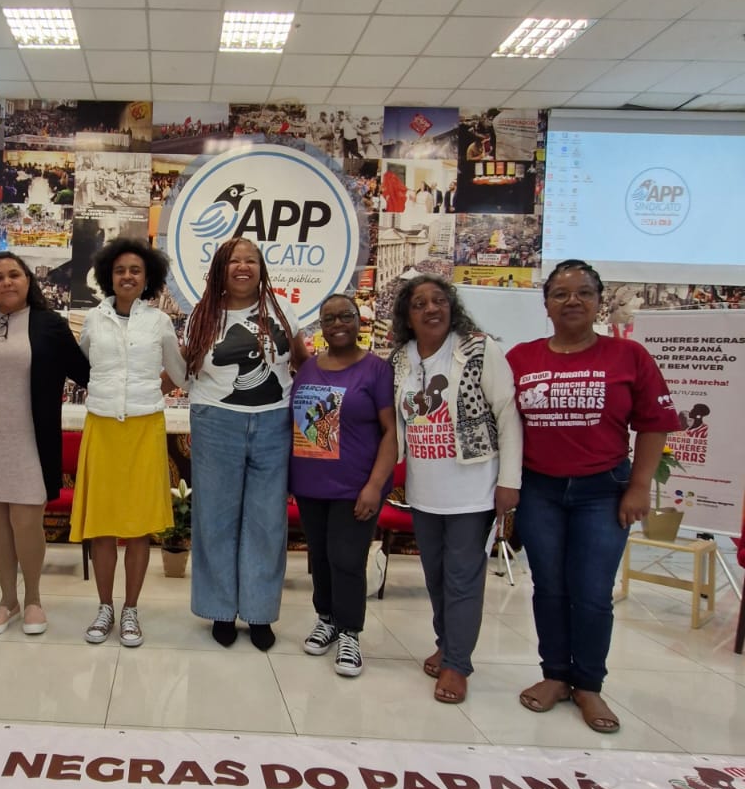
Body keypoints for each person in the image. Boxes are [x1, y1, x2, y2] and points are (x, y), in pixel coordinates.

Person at [507, 260, 676, 734]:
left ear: (600, 302)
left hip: (603, 490)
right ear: (546, 305)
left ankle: (589, 685)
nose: (572, 301)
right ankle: (555, 675)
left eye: (583, 292)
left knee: (592, 592)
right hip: (539, 489)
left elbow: (654, 424)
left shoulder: (628, 357)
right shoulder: (521, 358)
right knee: (550, 587)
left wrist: (639, 486)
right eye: (561, 294)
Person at [389, 275, 521, 705]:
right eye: (420, 303)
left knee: (463, 578)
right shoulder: (401, 359)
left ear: (452, 307)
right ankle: (447, 642)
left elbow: (507, 416)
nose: (431, 309)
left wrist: (509, 482)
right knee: (436, 577)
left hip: (474, 488)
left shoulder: (479, 350)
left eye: (439, 301)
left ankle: (457, 665)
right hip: (425, 491)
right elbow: (400, 424)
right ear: (407, 316)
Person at [184, 237, 306, 650]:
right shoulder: (203, 315)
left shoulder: (281, 311)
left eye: (251, 260)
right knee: (215, 519)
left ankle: (258, 613)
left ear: (261, 268)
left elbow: (302, 362)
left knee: (266, 520)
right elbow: (187, 367)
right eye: (234, 260)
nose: (243, 266)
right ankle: (220, 609)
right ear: (221, 268)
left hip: (273, 422)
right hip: (216, 422)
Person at [71, 238, 186, 647]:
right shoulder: (93, 321)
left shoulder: (159, 323)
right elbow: (82, 369)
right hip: (102, 427)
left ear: (147, 277)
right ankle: (105, 608)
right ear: (108, 276)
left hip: (143, 428)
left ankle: (131, 609)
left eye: (135, 270)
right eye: (120, 270)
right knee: (102, 528)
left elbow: (180, 373)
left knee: (137, 529)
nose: (127, 276)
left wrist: (149, 389)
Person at [0, 251, 89, 638]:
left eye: (14, 275)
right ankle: (8, 600)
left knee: (26, 521)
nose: (7, 282)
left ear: (28, 281)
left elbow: (85, 372)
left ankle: (34, 598)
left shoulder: (48, 324)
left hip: (30, 439)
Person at [290, 293, 396, 678]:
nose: (337, 324)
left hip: (355, 486)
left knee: (348, 559)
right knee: (319, 557)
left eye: (345, 316)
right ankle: (327, 618)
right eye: (329, 318)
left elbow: (389, 433)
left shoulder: (376, 370)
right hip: (310, 483)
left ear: (358, 321)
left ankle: (350, 631)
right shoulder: (307, 369)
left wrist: (375, 485)